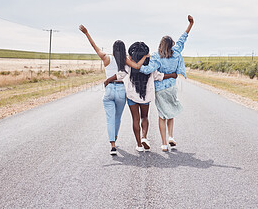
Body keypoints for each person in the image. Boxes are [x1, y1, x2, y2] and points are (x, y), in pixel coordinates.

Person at [79, 25, 148, 155]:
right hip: (121, 90)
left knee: (110, 118)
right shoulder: (125, 60)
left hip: (109, 89)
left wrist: (86, 33)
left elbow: (94, 46)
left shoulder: (106, 58)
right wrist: (145, 55)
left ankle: (113, 144)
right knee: (117, 118)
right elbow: (138, 66)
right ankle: (115, 138)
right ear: (123, 49)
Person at [104, 42, 177, 152]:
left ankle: (139, 145)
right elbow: (159, 76)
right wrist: (172, 75)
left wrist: (108, 79)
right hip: (145, 97)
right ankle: (144, 137)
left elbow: (120, 75)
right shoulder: (149, 66)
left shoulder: (130, 65)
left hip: (131, 96)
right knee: (144, 117)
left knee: (135, 119)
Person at [139, 15, 194, 152]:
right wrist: (190, 24)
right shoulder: (176, 52)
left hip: (159, 89)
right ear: (172, 45)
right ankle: (171, 136)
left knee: (161, 115)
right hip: (171, 88)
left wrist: (136, 65)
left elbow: (147, 70)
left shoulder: (156, 56)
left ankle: (164, 143)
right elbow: (183, 38)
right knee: (171, 113)